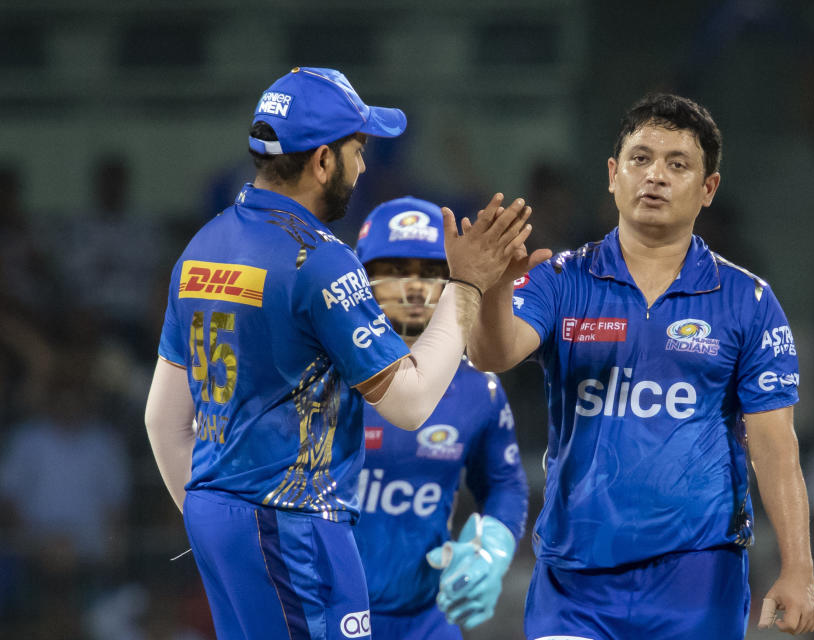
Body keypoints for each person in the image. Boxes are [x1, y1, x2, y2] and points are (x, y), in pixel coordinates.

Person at [144, 66, 534, 640]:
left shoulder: (203, 246)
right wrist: (467, 284)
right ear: (322, 160)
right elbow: (409, 402)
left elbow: (161, 418)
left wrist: (223, 524)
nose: (364, 165)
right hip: (297, 527)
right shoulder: (320, 258)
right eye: (358, 149)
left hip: (220, 516)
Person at [467, 93, 814, 638]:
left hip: (699, 578)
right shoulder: (561, 279)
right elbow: (490, 354)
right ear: (613, 175)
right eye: (640, 159)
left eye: (677, 164)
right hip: (574, 580)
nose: (655, 175)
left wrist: (799, 568)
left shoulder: (748, 301)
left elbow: (775, 445)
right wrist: (491, 289)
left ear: (708, 190)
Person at [351, 196, 529, 638]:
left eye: (431, 272)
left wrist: (493, 546)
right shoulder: (320, 378)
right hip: (320, 616)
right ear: (359, 279)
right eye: (394, 270)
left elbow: (505, 483)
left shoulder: (477, 387)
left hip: (427, 622)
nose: (413, 288)